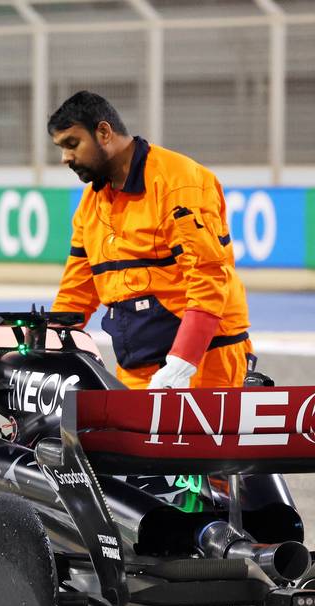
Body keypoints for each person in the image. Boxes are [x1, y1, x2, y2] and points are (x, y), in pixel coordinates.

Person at [47, 91, 252, 389]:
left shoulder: (179, 183)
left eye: (72, 144)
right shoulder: (91, 203)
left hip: (204, 365)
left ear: (103, 132)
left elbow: (207, 277)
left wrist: (183, 361)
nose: (65, 157)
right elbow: (76, 292)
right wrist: (49, 343)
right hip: (137, 367)